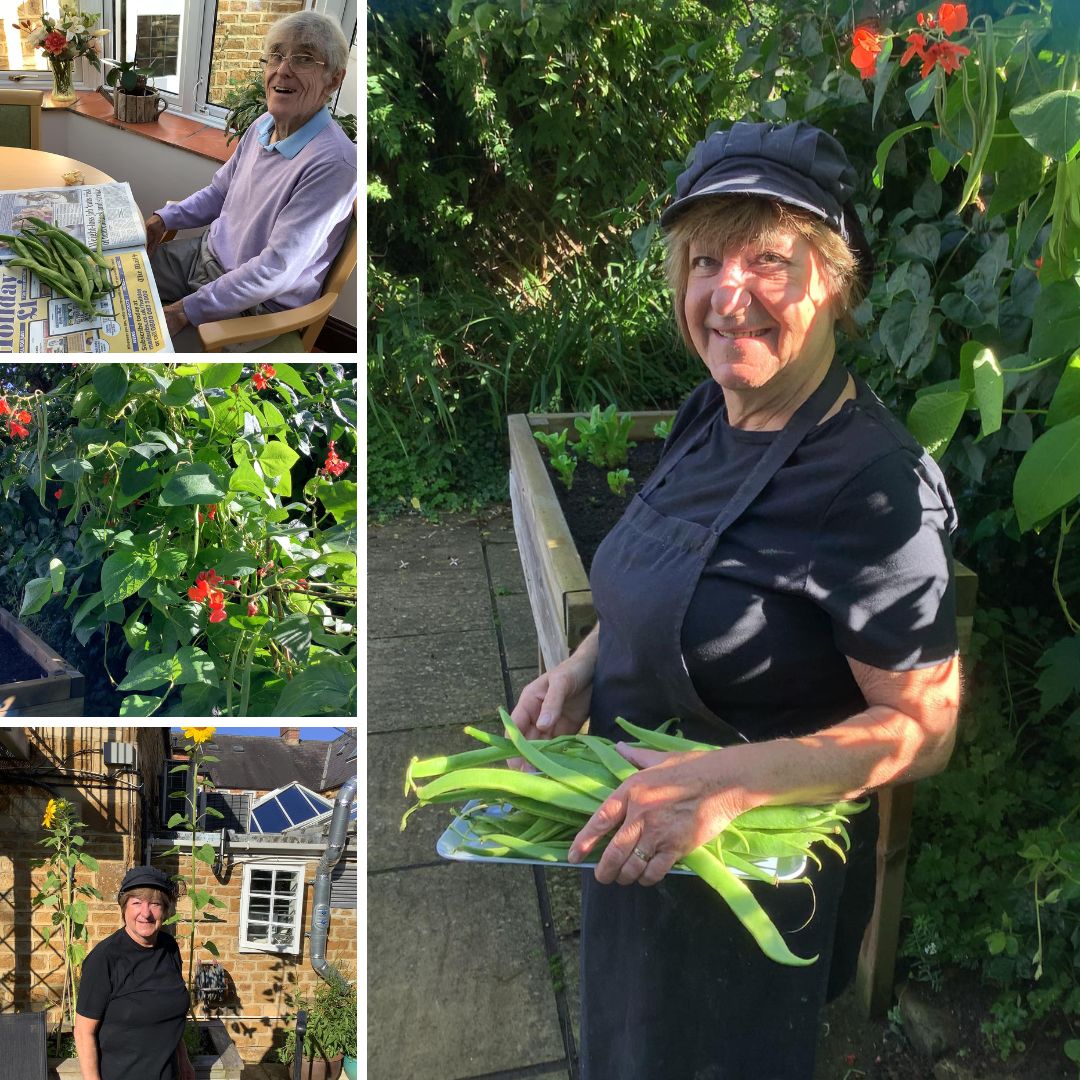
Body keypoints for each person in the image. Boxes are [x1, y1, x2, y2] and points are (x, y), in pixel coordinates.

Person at [510, 120, 961, 1079]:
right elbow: (653, 589)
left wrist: (734, 781)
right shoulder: (706, 413)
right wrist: (581, 672)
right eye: (705, 258)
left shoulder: (873, 487)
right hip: (642, 855)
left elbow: (926, 728)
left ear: (835, 281)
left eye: (768, 258)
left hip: (749, 893)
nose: (728, 294)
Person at [144, 11, 355, 351]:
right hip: (205, 257)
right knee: (114, 279)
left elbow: (275, 271)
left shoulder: (335, 164)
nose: (282, 70)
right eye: (276, 55)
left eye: (303, 59)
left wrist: (186, 310)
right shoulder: (263, 125)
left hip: (252, 307)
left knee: (143, 346)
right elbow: (218, 193)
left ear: (333, 80)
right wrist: (163, 219)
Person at [74, 866, 194, 1080]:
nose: (145, 913)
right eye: (137, 903)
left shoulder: (169, 948)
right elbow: (84, 1033)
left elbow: (169, 1013)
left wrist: (183, 1059)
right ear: (124, 908)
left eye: (155, 904)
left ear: (165, 910)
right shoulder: (104, 959)